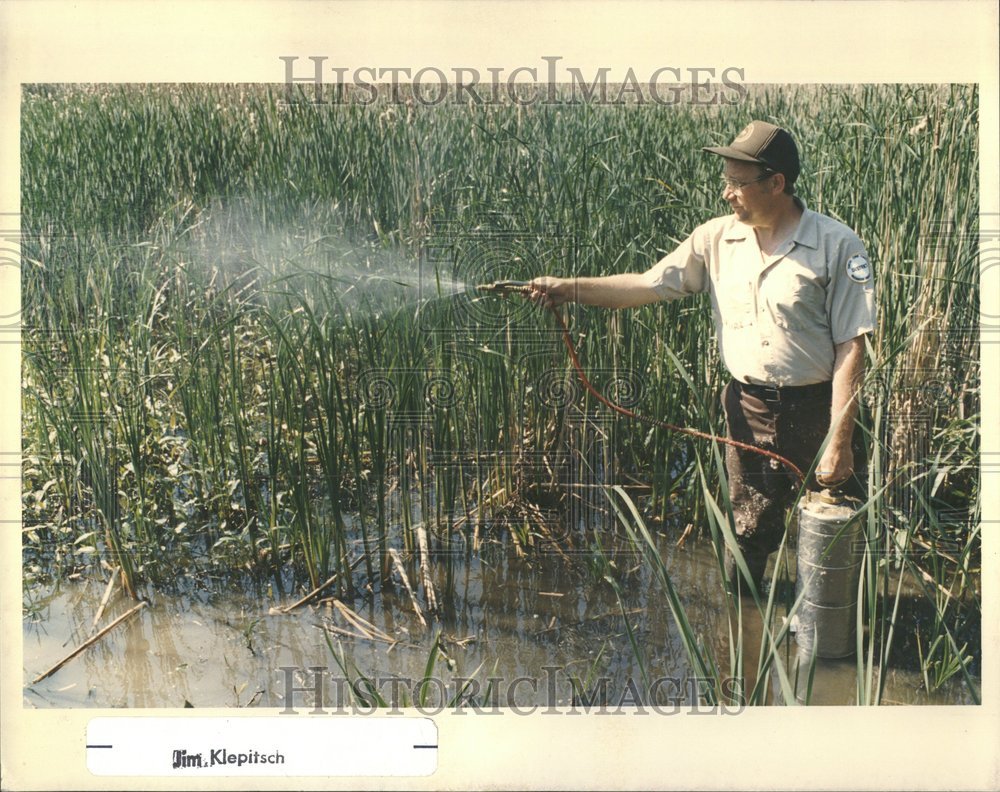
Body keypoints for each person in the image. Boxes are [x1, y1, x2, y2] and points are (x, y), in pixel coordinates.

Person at [528, 120, 876, 594]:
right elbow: (648, 285)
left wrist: (840, 439)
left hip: (820, 410)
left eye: (738, 183)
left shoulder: (838, 245)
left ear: (777, 183)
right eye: (726, 181)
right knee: (749, 536)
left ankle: (832, 647)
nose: (727, 194)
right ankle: (749, 637)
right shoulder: (714, 239)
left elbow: (851, 347)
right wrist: (569, 289)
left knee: (834, 540)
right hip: (749, 410)